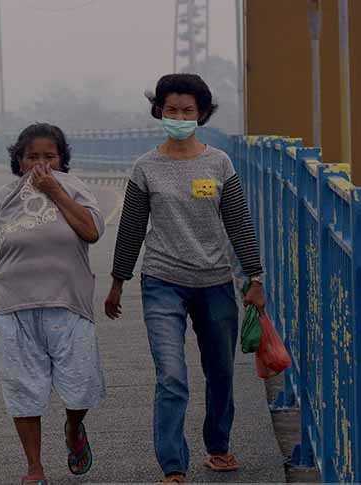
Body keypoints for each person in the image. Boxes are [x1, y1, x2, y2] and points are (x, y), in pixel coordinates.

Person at [105, 74, 266, 483]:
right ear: (159, 111)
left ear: (202, 114)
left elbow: (239, 224)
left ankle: (218, 446)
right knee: (172, 375)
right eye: (172, 109)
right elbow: (131, 227)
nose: (179, 116)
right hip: (162, 281)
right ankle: (173, 465)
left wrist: (254, 278)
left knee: (221, 372)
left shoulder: (219, 164)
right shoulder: (145, 168)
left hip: (214, 281)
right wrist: (118, 281)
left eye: (187, 110)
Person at [0, 123, 106, 485]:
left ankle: (73, 429)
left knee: (80, 386)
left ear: (62, 160)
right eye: (32, 157)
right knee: (23, 390)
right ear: (19, 161)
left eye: (49, 156)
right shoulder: (1, 198)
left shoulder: (75, 188)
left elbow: (92, 231)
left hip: (69, 304)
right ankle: (34, 468)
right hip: (14, 308)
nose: (41, 163)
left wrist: (54, 190)